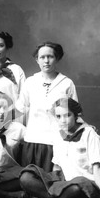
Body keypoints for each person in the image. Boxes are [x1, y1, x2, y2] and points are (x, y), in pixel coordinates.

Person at [19, 98, 100, 198]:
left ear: (76, 115)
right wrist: (53, 186)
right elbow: (57, 167)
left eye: (68, 115)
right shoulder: (58, 134)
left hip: (88, 187)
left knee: (77, 189)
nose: (63, 121)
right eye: (58, 116)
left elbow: (98, 168)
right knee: (26, 178)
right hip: (67, 184)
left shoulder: (89, 134)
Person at [15, 41, 79, 172]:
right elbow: (20, 110)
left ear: (57, 59)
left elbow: (74, 114)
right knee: (31, 179)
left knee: (53, 183)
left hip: (57, 142)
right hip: (33, 140)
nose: (46, 61)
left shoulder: (67, 83)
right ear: (37, 60)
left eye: (50, 57)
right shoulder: (30, 82)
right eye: (42, 57)